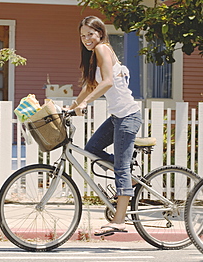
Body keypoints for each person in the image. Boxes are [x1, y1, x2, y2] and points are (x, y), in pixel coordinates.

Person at [69, 16, 142, 236]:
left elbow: (107, 81)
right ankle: (131, 179)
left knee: (120, 168)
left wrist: (85, 103)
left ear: (100, 33)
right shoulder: (94, 55)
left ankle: (120, 221)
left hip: (128, 117)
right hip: (117, 117)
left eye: (90, 34)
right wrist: (71, 107)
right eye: (82, 36)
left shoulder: (102, 48)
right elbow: (90, 84)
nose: (86, 39)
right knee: (91, 149)